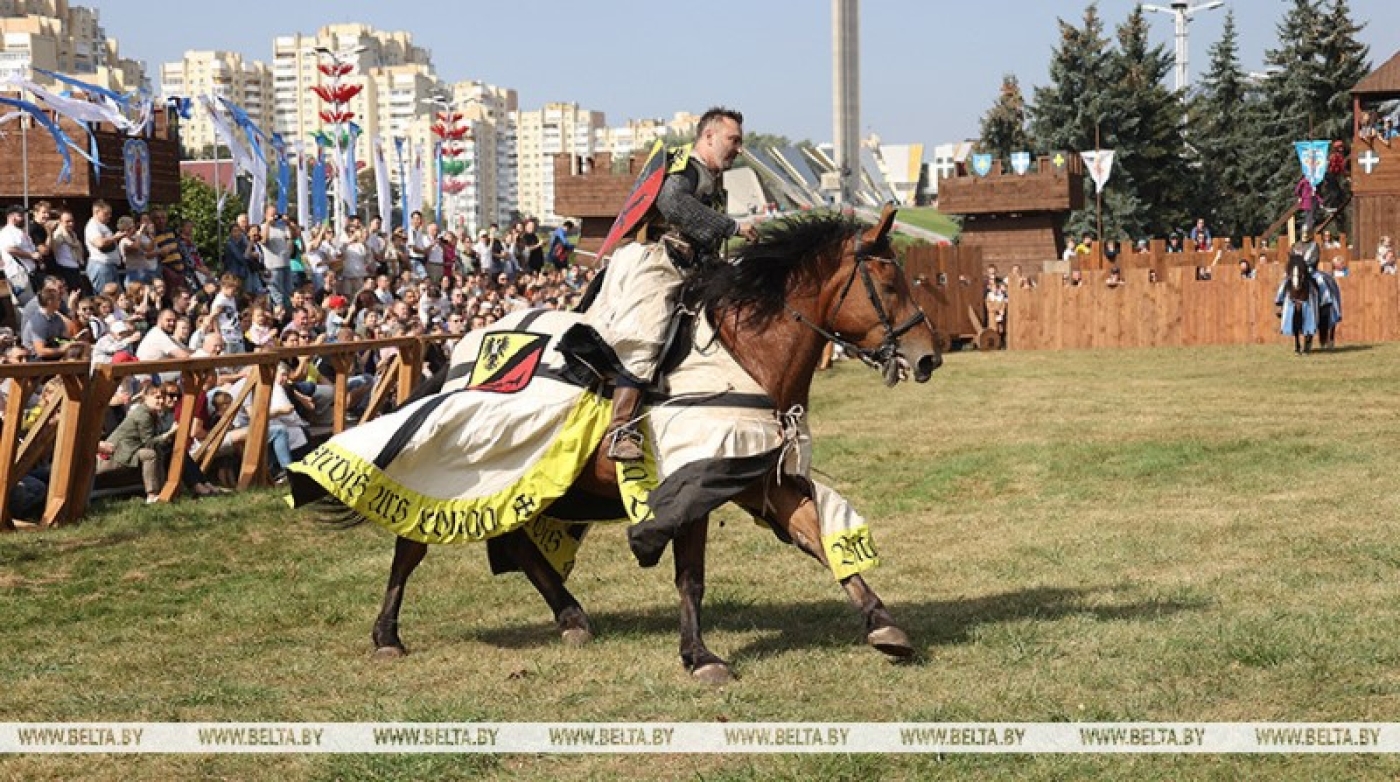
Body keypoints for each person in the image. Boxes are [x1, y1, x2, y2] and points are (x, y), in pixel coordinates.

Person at [578, 107, 757, 462]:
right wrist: (732, 227)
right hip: (659, 262)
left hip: (697, 268)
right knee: (646, 333)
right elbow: (673, 204)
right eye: (733, 140)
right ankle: (621, 429)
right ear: (709, 136)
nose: (738, 149)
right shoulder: (683, 166)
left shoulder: (713, 178)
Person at [1, 204, 39, 303]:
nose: (23, 218)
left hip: (29, 273)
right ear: (11, 216)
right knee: (28, 304)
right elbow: (10, 249)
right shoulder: (7, 232)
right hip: (18, 274)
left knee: (35, 303)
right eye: (20, 215)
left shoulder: (19, 231)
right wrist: (31, 255)